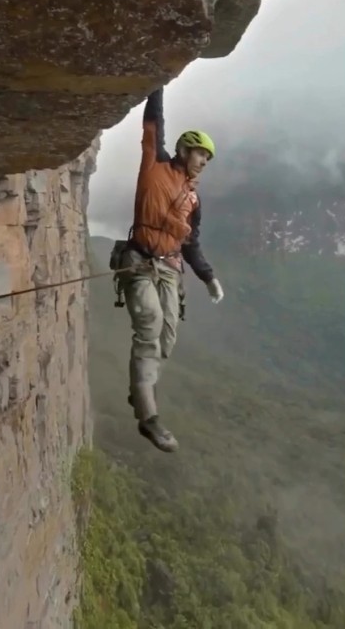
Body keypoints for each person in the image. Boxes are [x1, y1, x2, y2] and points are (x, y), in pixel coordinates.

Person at [112, 87, 223, 453]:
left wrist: (209, 277)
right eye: (200, 153)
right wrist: (159, 79)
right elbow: (153, 125)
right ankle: (149, 417)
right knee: (149, 323)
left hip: (170, 270)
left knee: (167, 339)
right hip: (139, 261)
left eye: (208, 157)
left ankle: (140, 387)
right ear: (183, 150)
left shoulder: (194, 200)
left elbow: (191, 244)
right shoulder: (155, 164)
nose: (203, 161)